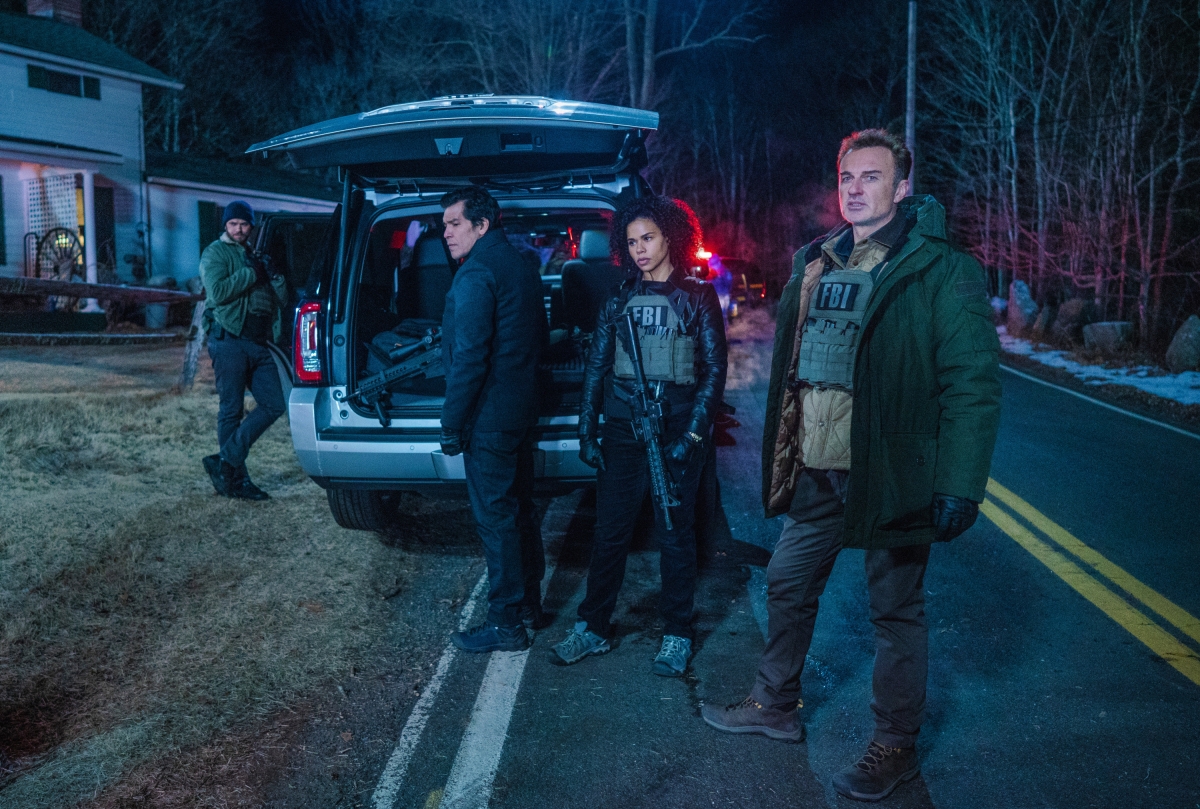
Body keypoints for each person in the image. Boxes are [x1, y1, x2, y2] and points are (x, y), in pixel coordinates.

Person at [700, 129, 1000, 802]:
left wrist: (959, 482)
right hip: (819, 463)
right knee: (787, 580)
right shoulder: (817, 260)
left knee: (895, 611)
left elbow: (973, 383)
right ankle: (774, 704)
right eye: (847, 177)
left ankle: (895, 746)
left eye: (872, 176)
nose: (856, 189)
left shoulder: (940, 268)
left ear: (902, 188)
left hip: (891, 469)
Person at [551, 196, 728, 677]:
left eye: (647, 238)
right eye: (631, 242)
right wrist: (587, 430)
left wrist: (692, 436)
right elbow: (597, 367)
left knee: (675, 533)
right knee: (609, 533)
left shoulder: (697, 297)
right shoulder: (618, 299)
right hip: (622, 431)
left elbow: (713, 372)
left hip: (676, 430)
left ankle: (678, 633)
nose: (639, 250)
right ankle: (593, 627)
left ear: (670, 236)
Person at [438, 186, 548, 653]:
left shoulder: (476, 272)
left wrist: (451, 422)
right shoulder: (520, 265)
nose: (446, 233)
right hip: (519, 410)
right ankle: (529, 607)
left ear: (482, 225)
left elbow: (469, 358)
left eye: (455, 224)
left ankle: (506, 624)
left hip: (488, 416)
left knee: (497, 519)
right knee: (519, 511)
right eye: (444, 225)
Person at [200, 200, 288, 501]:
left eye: (244, 224)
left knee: (275, 403)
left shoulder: (256, 255)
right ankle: (237, 481)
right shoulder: (215, 252)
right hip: (230, 339)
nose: (239, 229)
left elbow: (280, 299)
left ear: (252, 226)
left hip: (259, 343)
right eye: (233, 223)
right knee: (231, 410)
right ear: (226, 225)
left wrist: (274, 274)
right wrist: (251, 273)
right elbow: (218, 292)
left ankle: (226, 461)